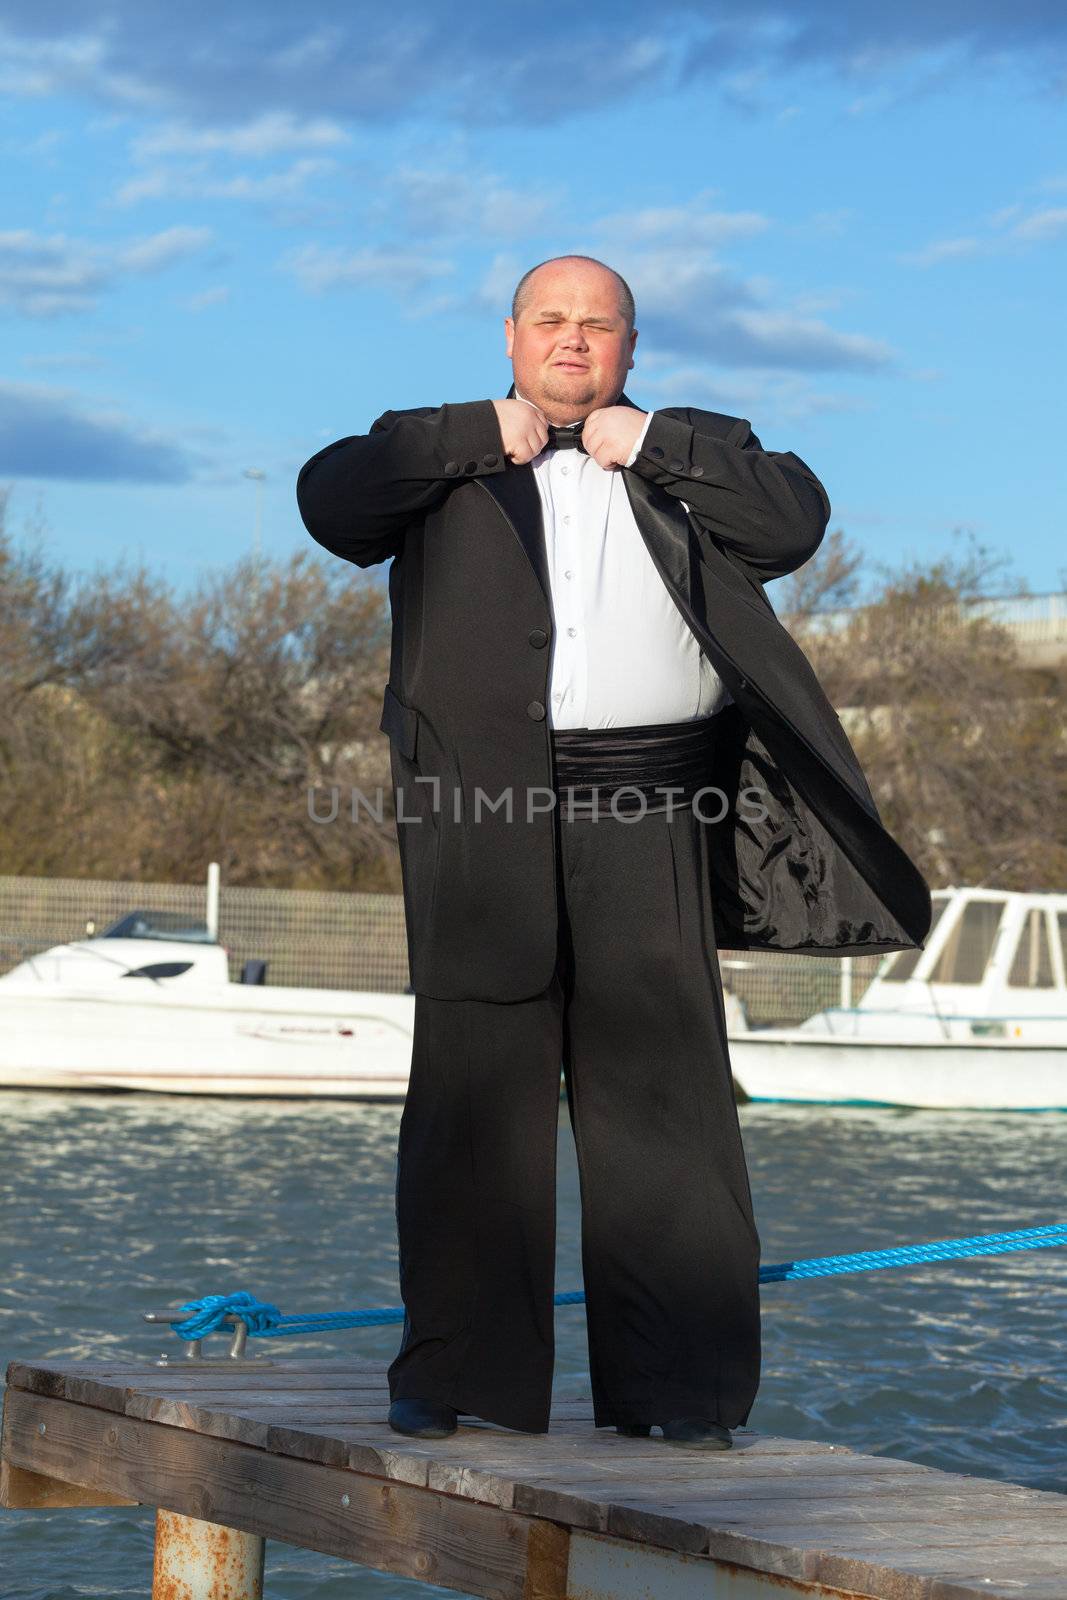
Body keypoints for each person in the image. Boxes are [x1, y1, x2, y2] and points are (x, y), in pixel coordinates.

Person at [296, 255, 931, 1451]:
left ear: (630, 346)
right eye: (550, 320)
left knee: (665, 1107)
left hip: (653, 808)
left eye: (597, 325)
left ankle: (678, 1395)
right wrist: (474, 433)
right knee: (472, 1102)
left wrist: (654, 445)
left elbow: (792, 523)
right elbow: (331, 504)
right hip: (479, 821)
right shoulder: (432, 453)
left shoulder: (693, 450)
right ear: (511, 336)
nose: (572, 340)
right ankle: (461, 1376)